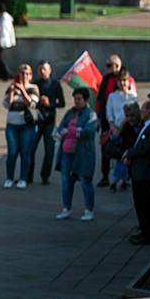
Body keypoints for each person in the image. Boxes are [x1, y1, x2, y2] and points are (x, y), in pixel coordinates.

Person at [53, 87, 99, 221]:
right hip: (67, 152)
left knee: (85, 180)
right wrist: (71, 130)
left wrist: (71, 131)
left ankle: (89, 210)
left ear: (86, 100)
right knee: (66, 181)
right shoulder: (70, 112)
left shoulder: (91, 114)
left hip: (83, 153)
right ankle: (66, 208)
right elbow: (60, 129)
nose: (76, 101)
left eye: (79, 99)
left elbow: (87, 131)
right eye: (75, 99)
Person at [124, 99, 150, 245]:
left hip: (144, 173)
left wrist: (129, 153)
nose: (141, 112)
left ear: (149, 111)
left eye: (143, 109)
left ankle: (147, 234)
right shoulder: (146, 126)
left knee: (144, 205)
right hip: (139, 172)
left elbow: (146, 148)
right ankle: (144, 230)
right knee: (140, 204)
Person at [2, 64, 40, 189]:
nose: (24, 76)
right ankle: (9, 178)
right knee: (12, 153)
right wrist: (12, 92)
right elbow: (7, 104)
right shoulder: (12, 86)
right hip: (12, 124)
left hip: (26, 125)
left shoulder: (33, 88)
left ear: (30, 76)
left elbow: (31, 103)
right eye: (22, 73)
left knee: (25, 152)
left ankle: (23, 178)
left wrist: (22, 90)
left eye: (26, 74)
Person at [105, 70, 138, 192]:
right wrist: (113, 127)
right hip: (116, 129)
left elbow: (135, 113)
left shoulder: (133, 96)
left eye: (125, 80)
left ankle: (117, 180)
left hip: (128, 129)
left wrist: (125, 122)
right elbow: (109, 113)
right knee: (118, 156)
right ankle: (120, 179)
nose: (122, 83)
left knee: (124, 156)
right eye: (120, 81)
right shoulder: (112, 96)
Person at [95, 54, 126, 187]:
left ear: (117, 66)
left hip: (122, 122)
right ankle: (105, 176)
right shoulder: (106, 79)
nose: (106, 68)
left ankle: (123, 178)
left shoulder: (125, 77)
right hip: (106, 120)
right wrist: (98, 117)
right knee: (105, 148)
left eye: (109, 65)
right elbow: (100, 99)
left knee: (123, 149)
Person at [31, 61, 63, 185]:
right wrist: (39, 101)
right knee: (30, 149)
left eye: (44, 69)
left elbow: (62, 103)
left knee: (49, 151)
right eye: (40, 69)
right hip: (36, 120)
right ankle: (28, 175)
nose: (42, 71)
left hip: (49, 121)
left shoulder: (55, 84)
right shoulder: (35, 84)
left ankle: (45, 176)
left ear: (50, 70)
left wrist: (50, 104)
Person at [0, 3, 15, 80]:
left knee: (0, 58)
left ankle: (6, 73)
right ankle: (4, 73)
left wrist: (1, 41)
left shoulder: (4, 18)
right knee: (0, 58)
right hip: (4, 41)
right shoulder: (4, 17)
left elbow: (3, 31)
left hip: (3, 41)